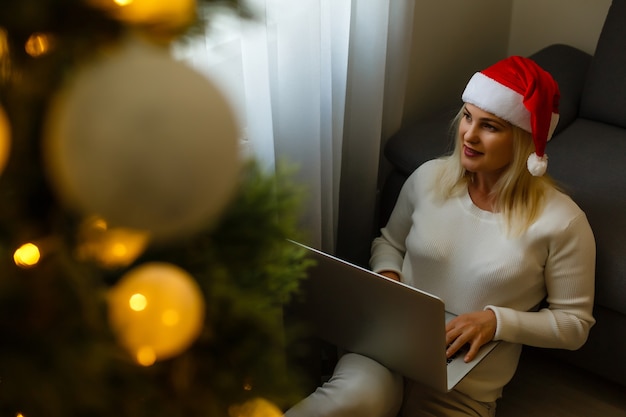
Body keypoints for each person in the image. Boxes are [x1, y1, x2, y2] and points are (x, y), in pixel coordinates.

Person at [285, 56, 595, 417]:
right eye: (467, 116)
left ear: (524, 141)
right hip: (385, 353)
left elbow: (574, 324)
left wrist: (497, 321)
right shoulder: (429, 178)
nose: (469, 134)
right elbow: (389, 243)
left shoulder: (563, 222)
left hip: (464, 388)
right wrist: (388, 279)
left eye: (490, 126)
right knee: (346, 401)